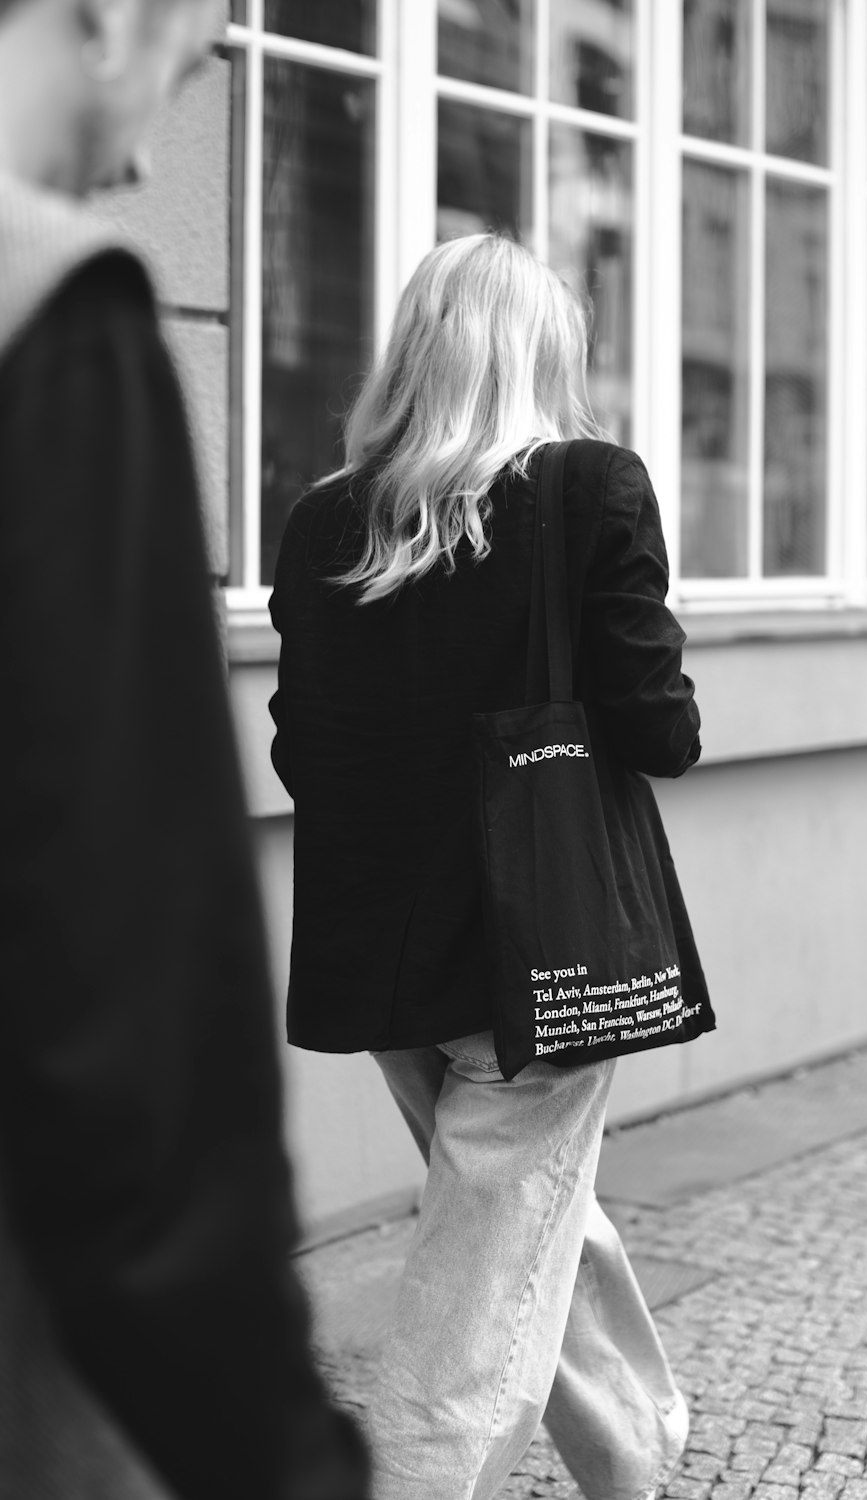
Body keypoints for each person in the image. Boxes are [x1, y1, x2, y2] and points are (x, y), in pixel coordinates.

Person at [268, 233, 708, 1500]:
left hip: (377, 952)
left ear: (414, 357)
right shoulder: (592, 490)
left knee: (506, 1225)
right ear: (538, 359)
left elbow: (305, 744)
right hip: (546, 945)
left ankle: (632, 1449)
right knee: (480, 1279)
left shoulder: (320, 520)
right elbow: (659, 732)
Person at [0, 1, 368, 1496]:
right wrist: (274, 1454)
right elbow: (133, 995)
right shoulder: (57, 324)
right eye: (195, 37)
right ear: (96, 16)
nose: (219, 56)